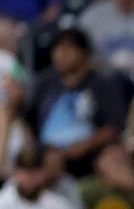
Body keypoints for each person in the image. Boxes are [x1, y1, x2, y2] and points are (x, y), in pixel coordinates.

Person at [25, 26, 126, 178]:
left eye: (68, 48)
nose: (61, 54)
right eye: (57, 48)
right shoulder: (43, 83)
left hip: (90, 158)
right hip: (45, 157)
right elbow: (27, 121)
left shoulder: (103, 84)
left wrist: (84, 146)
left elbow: (114, 126)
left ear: (84, 52)